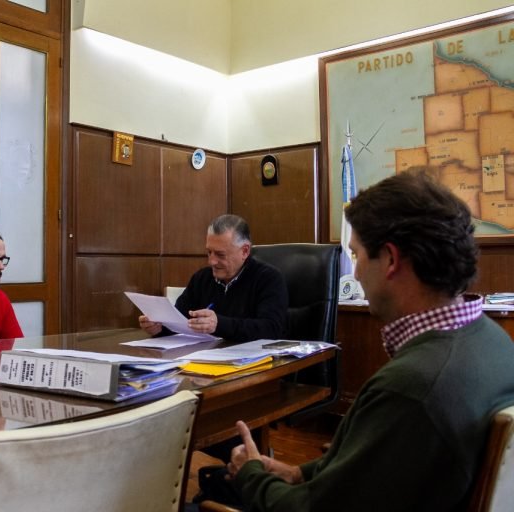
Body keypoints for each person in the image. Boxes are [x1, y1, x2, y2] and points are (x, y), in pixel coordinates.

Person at [225, 170, 514, 511]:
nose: (356, 272)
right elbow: (384, 469)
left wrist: (250, 475)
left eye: (357, 255)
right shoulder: (494, 341)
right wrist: (300, 473)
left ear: (390, 259)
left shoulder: (411, 389)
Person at [139, 214, 287, 342]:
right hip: (203, 361)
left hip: (252, 364)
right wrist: (160, 328)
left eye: (220, 255)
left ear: (245, 251)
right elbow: (180, 322)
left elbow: (271, 329)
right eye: (209, 252)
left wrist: (219, 324)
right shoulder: (202, 278)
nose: (212, 261)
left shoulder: (268, 279)